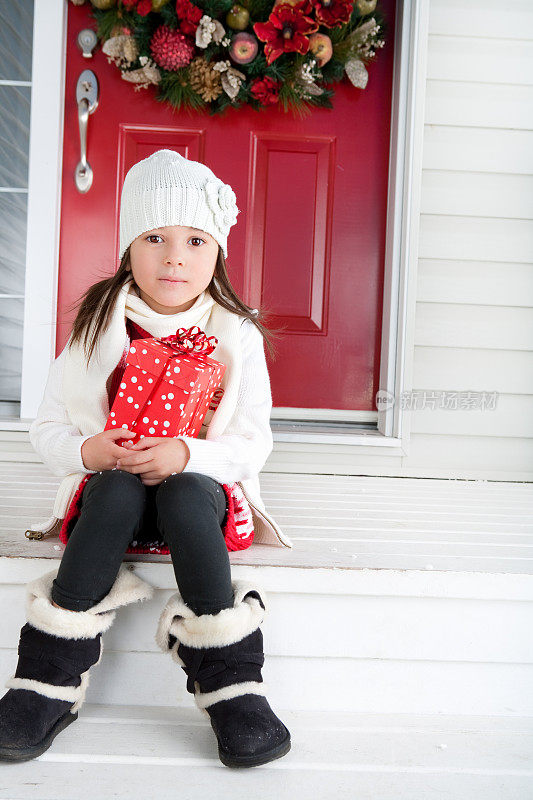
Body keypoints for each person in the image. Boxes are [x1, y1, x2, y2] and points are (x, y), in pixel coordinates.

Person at [0, 150, 292, 768]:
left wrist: (189, 452)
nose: (174, 256)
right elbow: (49, 425)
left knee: (186, 493)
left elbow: (251, 442)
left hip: (197, 493)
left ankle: (229, 683)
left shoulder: (234, 333)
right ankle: (47, 677)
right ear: (128, 247)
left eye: (194, 240)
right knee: (111, 490)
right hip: (116, 493)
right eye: (154, 237)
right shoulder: (97, 327)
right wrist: (88, 449)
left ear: (217, 254)